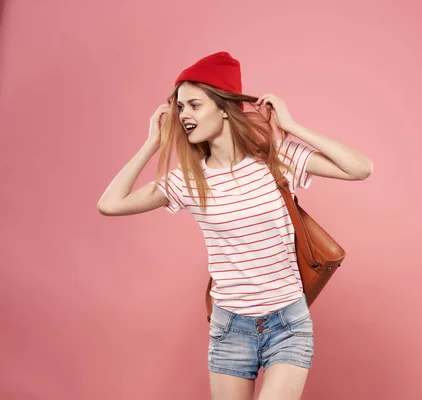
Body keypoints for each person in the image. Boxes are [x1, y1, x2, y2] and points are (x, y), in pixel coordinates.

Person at [97, 51, 373, 400]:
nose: (184, 116)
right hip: (230, 330)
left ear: (224, 106)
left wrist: (290, 127)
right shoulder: (189, 180)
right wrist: (153, 143)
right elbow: (110, 204)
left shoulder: (275, 158)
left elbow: (359, 168)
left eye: (194, 105)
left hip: (287, 324)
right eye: (180, 108)